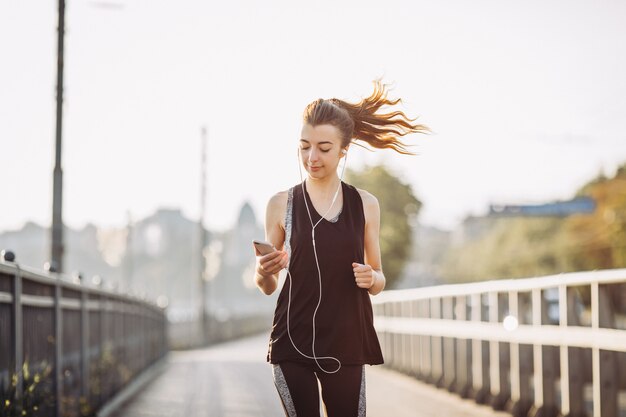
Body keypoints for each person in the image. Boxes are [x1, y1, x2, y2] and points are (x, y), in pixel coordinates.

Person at [253, 80, 429, 417]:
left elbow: (379, 280)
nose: (312, 157)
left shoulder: (366, 204)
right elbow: (268, 286)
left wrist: (370, 277)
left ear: (344, 150)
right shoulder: (280, 204)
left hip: (347, 342)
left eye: (323, 147)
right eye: (304, 146)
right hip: (292, 339)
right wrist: (263, 271)